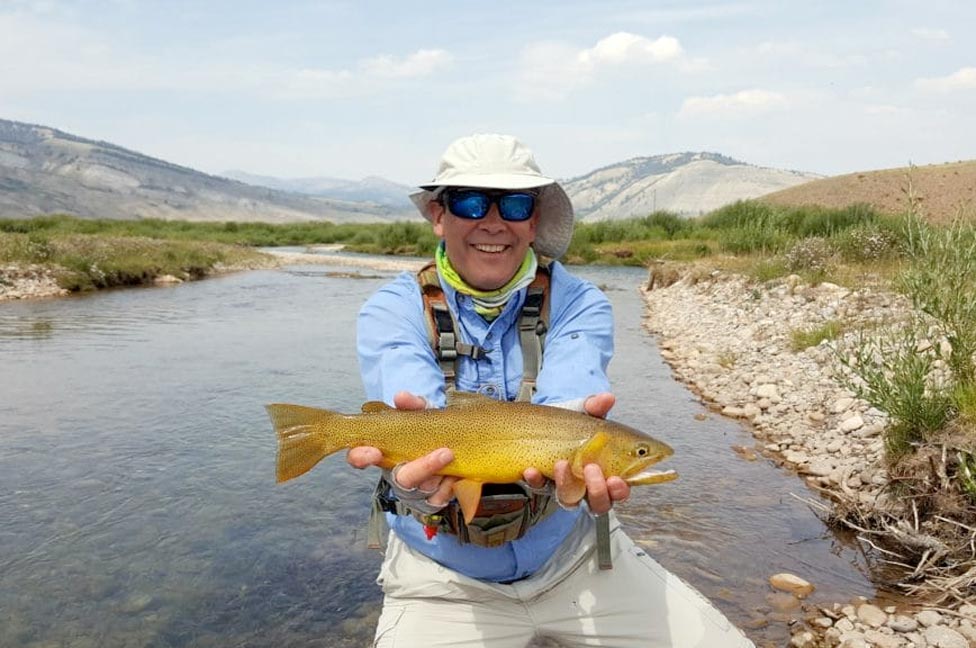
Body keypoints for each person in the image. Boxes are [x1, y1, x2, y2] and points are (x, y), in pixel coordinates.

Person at [349, 133, 754, 647]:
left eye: (514, 204)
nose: (493, 222)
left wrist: (569, 477)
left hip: (578, 561)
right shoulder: (392, 308)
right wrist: (414, 484)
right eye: (471, 202)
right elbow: (416, 413)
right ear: (438, 215)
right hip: (440, 579)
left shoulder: (581, 303)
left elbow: (568, 406)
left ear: (534, 220)